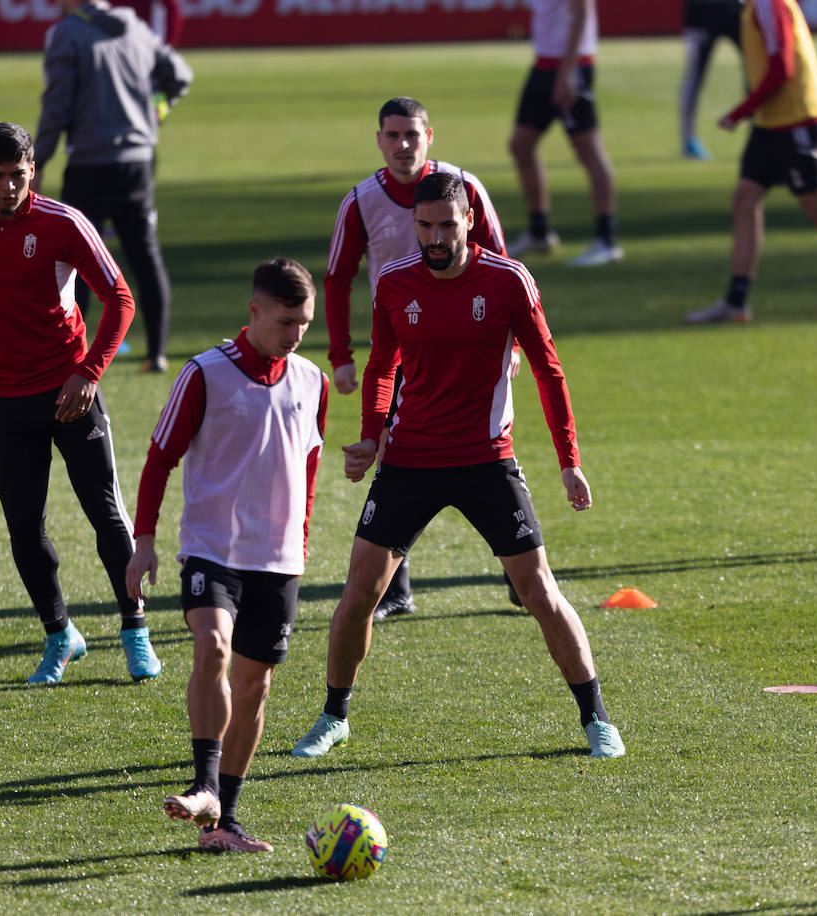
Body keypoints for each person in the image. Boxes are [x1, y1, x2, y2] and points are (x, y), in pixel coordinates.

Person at [292, 171, 626, 761]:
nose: (436, 237)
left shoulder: (508, 281)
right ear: (413, 225)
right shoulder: (395, 282)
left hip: (486, 461)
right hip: (411, 460)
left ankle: (596, 718)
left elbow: (549, 372)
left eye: (448, 224)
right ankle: (333, 716)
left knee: (538, 592)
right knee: (359, 593)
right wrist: (372, 437)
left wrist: (569, 462)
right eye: (425, 226)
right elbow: (382, 369)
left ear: (469, 219)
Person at [0, 121, 162, 685]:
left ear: (33, 171)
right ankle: (60, 635)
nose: (7, 187)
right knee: (23, 528)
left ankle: (135, 631)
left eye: (17, 175)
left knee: (105, 515)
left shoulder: (64, 224)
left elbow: (120, 298)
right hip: (5, 401)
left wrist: (88, 372)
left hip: (69, 393)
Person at [127, 259, 329, 853]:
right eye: (287, 321)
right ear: (255, 311)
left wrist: (304, 539)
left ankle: (223, 823)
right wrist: (144, 541)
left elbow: (309, 465)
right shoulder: (204, 375)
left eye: (306, 323)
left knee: (255, 686)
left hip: (279, 558)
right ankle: (204, 785)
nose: (296, 334)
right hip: (212, 550)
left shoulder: (312, 381)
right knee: (212, 646)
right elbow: (160, 457)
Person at [325, 95, 513, 621]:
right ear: (379, 140)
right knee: (391, 451)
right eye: (392, 135)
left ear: (430, 136)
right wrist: (341, 354)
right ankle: (396, 587)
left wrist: (512, 343)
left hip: (473, 338)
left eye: (412, 134)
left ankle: (518, 570)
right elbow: (338, 278)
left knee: (493, 453)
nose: (402, 144)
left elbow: (503, 261)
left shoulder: (463, 187)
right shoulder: (360, 200)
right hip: (403, 342)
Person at [33, 0, 193, 374]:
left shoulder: (66, 34)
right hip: (138, 162)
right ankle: (156, 354)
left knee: (78, 261)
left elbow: (56, 105)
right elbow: (181, 75)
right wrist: (158, 108)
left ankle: (75, 354)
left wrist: (39, 158)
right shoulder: (134, 27)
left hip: (90, 164)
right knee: (145, 256)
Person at [685, 0, 817, 324]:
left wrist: (741, 111)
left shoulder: (768, 4)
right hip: (773, 119)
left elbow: (782, 68)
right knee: (745, 199)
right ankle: (736, 302)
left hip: (795, 117)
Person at [506, 0, 622, 268]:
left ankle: (607, 240)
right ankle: (539, 232)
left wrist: (567, 70)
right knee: (521, 144)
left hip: (569, 66)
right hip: (545, 64)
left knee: (588, 148)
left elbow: (582, 12)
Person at [679, 0, 743, 161]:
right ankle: (688, 140)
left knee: (756, 69)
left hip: (734, 7)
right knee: (695, 75)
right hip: (701, 10)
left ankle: (762, 132)